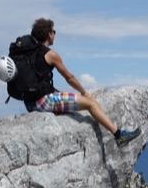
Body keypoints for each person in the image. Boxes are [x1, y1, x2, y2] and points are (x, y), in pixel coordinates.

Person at [23, 18, 141, 146]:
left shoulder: (27, 52)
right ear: (49, 34)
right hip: (43, 101)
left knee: (67, 97)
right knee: (90, 104)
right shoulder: (51, 55)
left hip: (29, 102)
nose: (55, 34)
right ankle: (119, 135)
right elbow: (69, 78)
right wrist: (84, 92)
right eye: (54, 31)